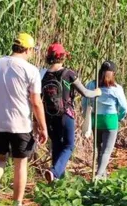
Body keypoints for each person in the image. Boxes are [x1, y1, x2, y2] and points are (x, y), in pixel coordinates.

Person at [0, 33, 48, 206]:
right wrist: (42, 126)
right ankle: (17, 203)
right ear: (27, 49)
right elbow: (36, 102)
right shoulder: (31, 70)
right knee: (21, 163)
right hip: (20, 123)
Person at [39, 43, 100, 183]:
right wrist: (97, 92)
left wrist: (38, 121)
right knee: (69, 145)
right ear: (62, 57)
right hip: (66, 114)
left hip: (49, 115)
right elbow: (85, 93)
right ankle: (54, 172)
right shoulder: (69, 74)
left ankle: (55, 182)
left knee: (56, 145)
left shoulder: (43, 75)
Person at [81, 61, 127, 179]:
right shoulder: (116, 89)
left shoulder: (91, 85)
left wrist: (85, 116)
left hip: (95, 119)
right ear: (113, 74)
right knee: (106, 151)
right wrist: (120, 117)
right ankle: (98, 174)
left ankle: (102, 173)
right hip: (110, 120)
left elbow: (85, 102)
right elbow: (124, 107)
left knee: (98, 148)